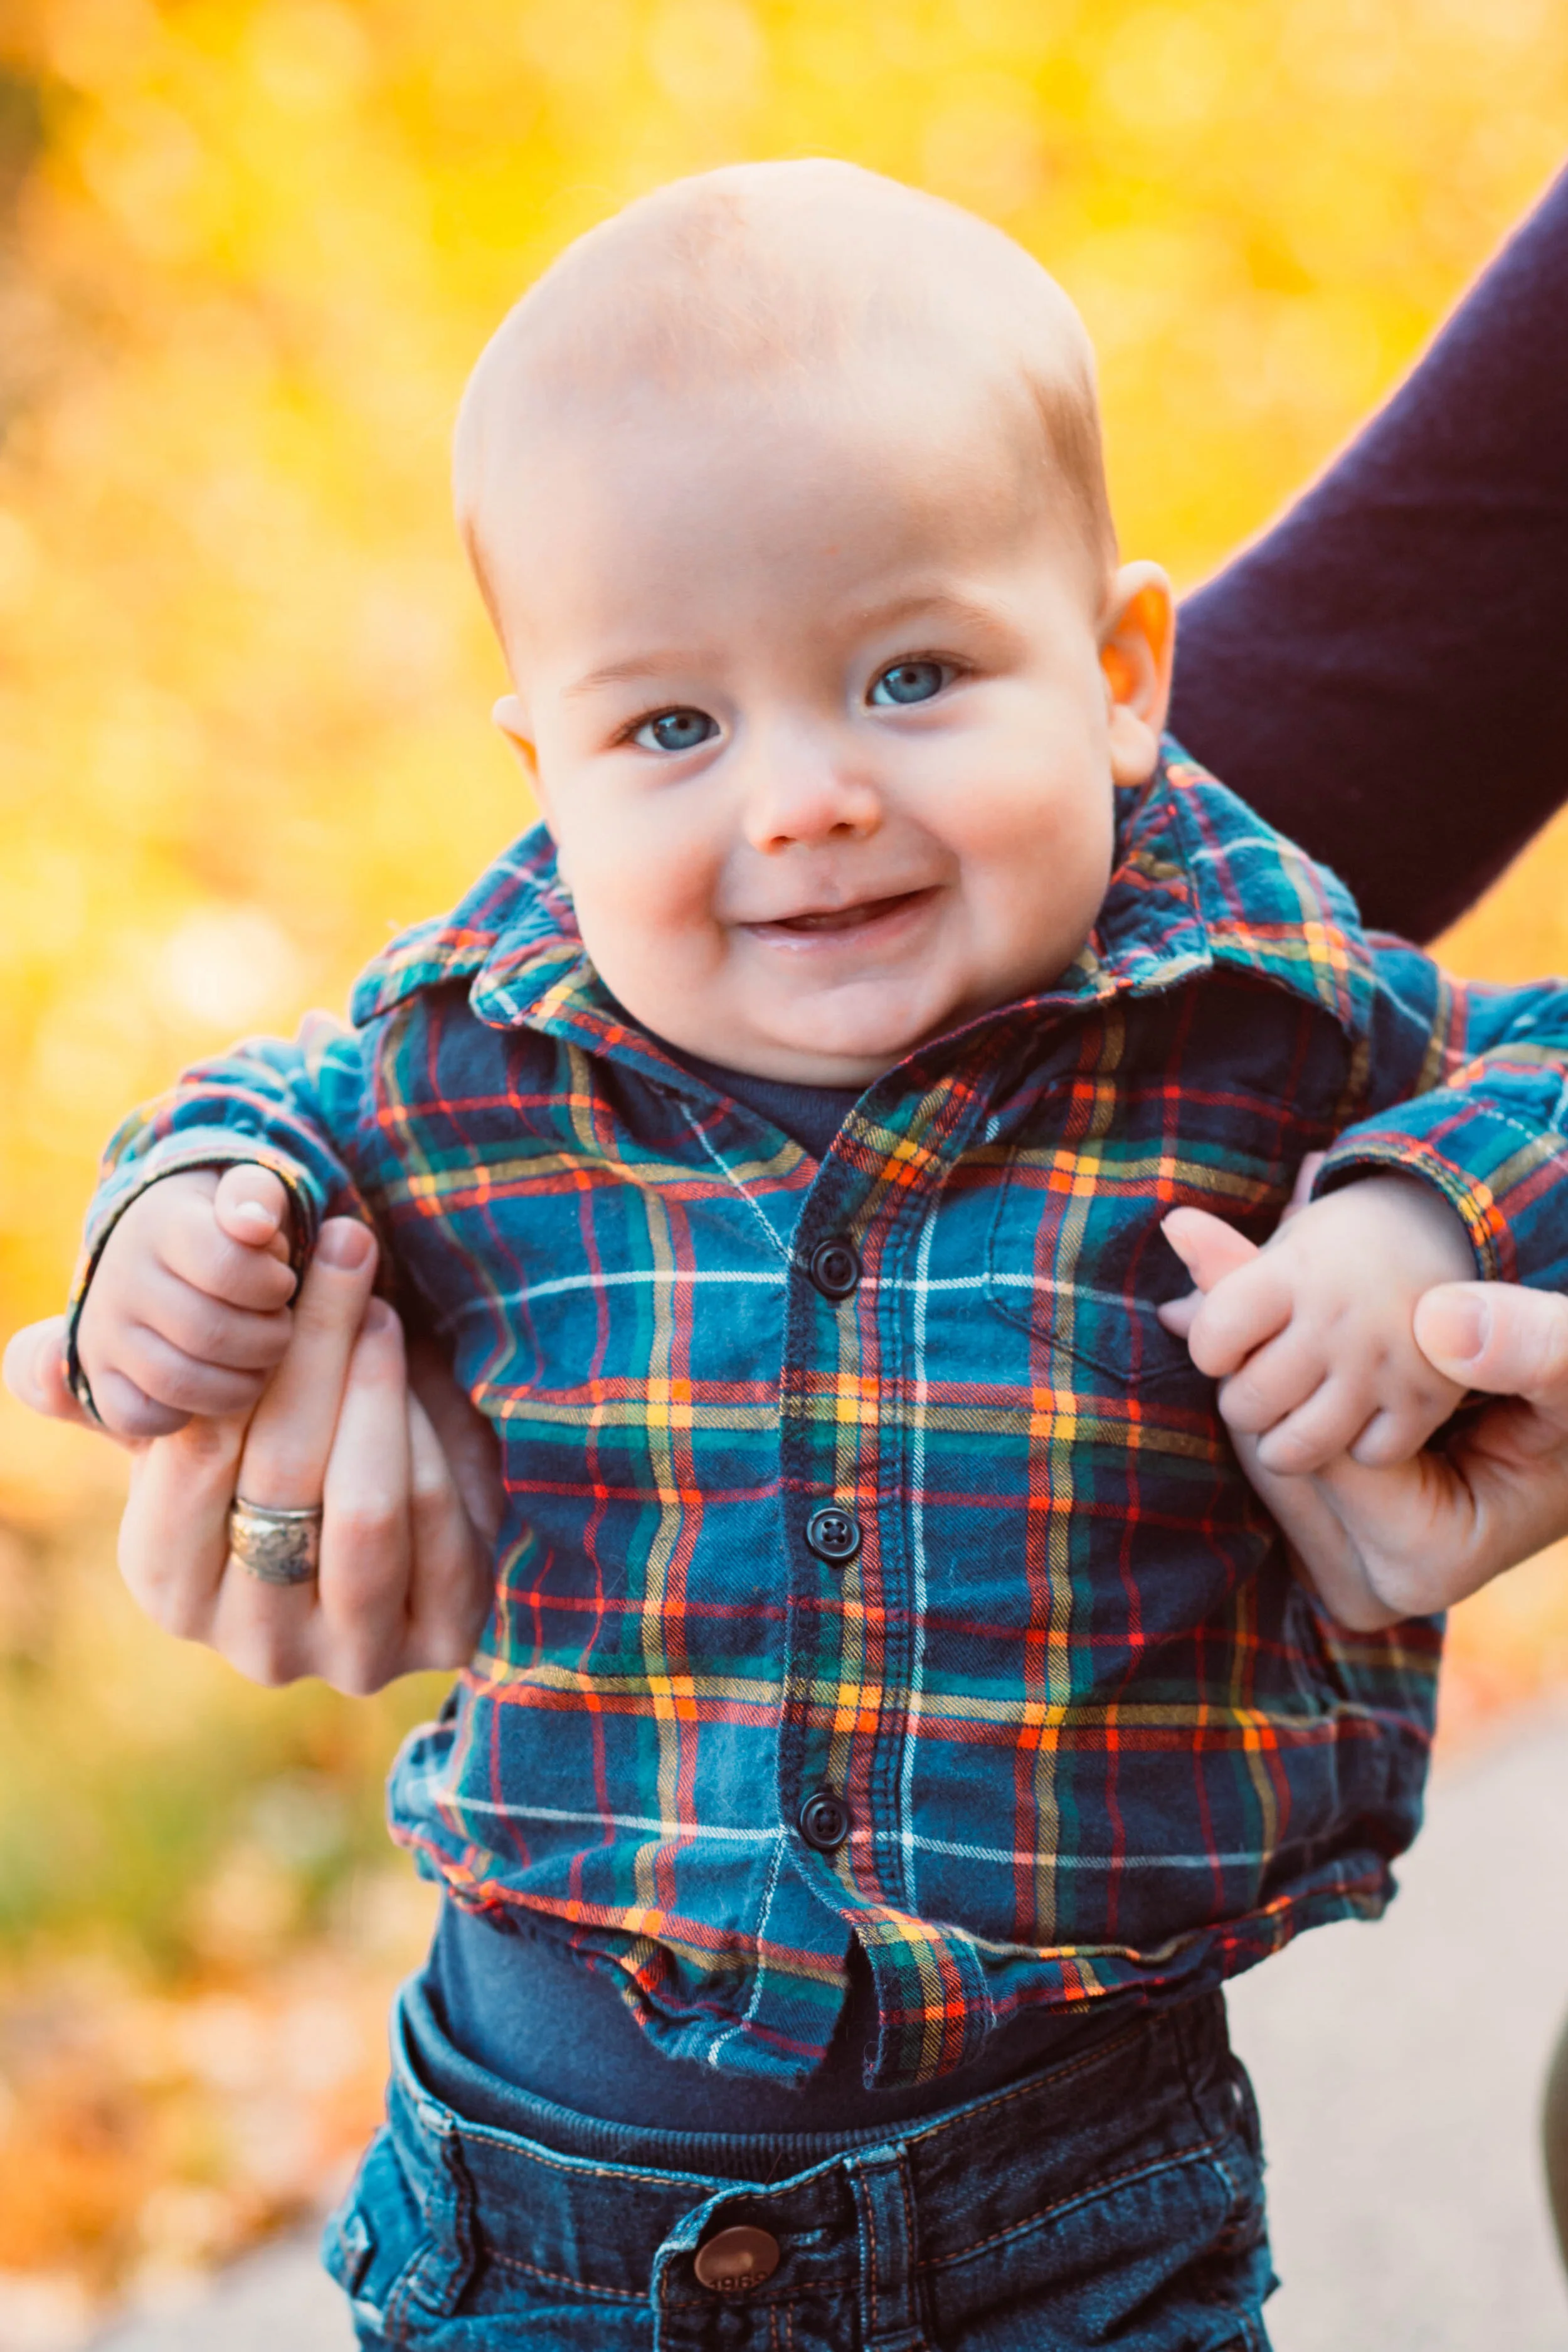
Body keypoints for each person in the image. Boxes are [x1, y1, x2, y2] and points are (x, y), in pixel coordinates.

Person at [14, 160, 1568, 2346]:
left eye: (910, 674)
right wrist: (178, 1235)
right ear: (544, 765)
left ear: (1120, 674)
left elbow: (1534, 1072)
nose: (802, 797)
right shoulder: (483, 1053)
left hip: (1085, 2199)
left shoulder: (1244, 1020)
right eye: (672, 727)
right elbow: (252, 1116)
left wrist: (1417, 1209)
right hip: (545, 2214)